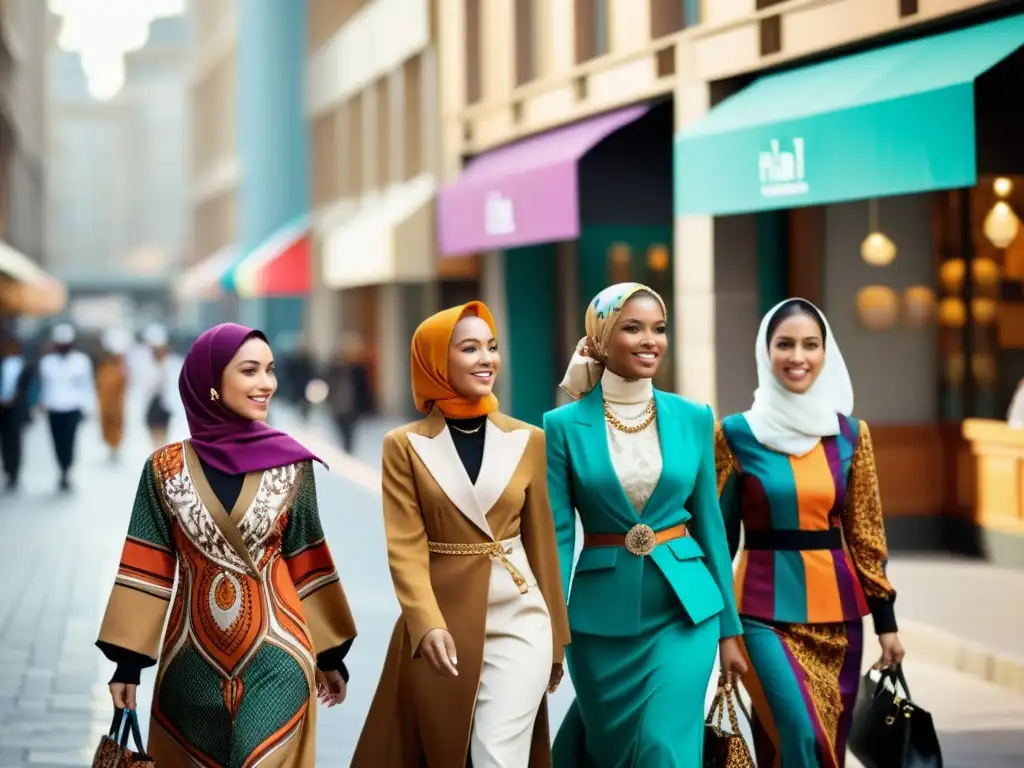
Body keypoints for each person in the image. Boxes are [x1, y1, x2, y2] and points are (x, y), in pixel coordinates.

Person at [96, 323, 357, 767]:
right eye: (250, 370)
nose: (266, 384)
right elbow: (146, 567)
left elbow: (308, 557)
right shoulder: (164, 468)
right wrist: (128, 666)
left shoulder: (292, 464)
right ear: (212, 384)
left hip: (278, 656)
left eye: (270, 370)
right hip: (188, 666)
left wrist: (330, 655)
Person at [352, 301, 570, 768]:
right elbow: (405, 548)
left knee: (496, 754)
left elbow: (542, 544)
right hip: (443, 624)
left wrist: (557, 637)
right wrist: (425, 621)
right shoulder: (404, 446)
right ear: (436, 361)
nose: (487, 358)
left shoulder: (528, 438)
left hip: (522, 617)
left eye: (491, 346)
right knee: (448, 753)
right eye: (469, 348)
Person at [544, 283, 746, 766]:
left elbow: (712, 529)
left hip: (684, 613)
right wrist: (551, 630)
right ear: (600, 338)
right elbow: (557, 536)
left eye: (658, 329)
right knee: (613, 752)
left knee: (661, 745)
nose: (649, 340)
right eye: (632, 328)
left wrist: (730, 632)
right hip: (598, 625)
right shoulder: (561, 426)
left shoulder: (694, 418)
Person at [715, 298, 905, 768]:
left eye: (810, 345)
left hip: (840, 620)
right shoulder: (734, 435)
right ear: (766, 351)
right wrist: (722, 630)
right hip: (760, 614)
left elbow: (865, 533)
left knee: (825, 749)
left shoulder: (851, 435)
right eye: (784, 344)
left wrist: (887, 624)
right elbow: (717, 540)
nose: (797, 356)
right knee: (800, 735)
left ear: (826, 353)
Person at [38, 323, 95, 492]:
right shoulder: (47, 362)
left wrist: (89, 407)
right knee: (57, 441)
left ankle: (67, 470)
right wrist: (41, 403)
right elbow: (44, 386)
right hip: (54, 408)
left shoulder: (81, 361)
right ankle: (61, 468)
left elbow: (87, 385)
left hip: (73, 408)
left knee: (70, 440)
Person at [323, 332, 373, 454]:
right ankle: (346, 447)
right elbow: (326, 382)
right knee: (341, 428)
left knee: (350, 431)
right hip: (337, 404)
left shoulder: (358, 368)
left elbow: (364, 389)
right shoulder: (334, 365)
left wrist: (367, 406)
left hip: (353, 406)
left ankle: (348, 448)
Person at [0, 337, 34, 491]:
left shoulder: (24, 366)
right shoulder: (3, 364)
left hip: (16, 409)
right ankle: (8, 469)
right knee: (5, 441)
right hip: (2, 409)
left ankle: (14, 471)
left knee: (15, 440)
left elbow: (28, 389)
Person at [142, 323, 182, 449]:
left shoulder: (174, 363)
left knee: (166, 438)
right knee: (156, 438)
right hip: (152, 405)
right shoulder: (146, 364)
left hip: (169, 407)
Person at [95, 329, 130, 462]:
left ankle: (115, 448)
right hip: (105, 402)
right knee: (106, 425)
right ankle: (110, 447)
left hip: (117, 403)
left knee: (117, 425)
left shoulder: (122, 367)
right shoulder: (104, 367)